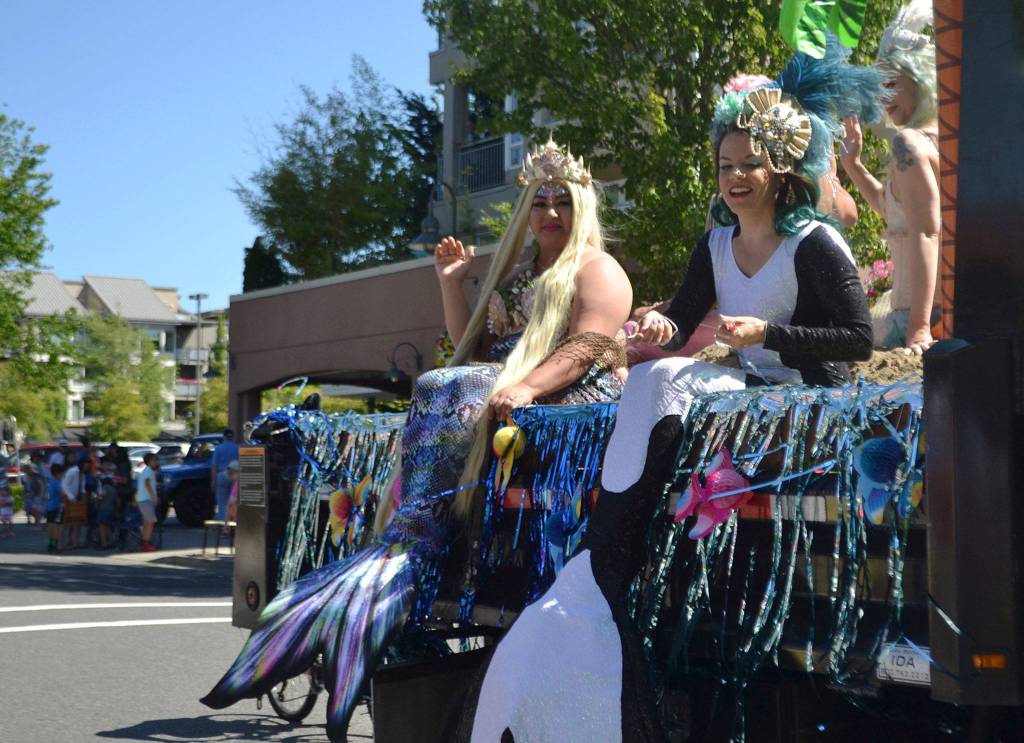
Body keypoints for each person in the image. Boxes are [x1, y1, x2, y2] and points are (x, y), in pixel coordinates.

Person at [463, 48, 883, 743]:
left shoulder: (814, 244)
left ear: (781, 170)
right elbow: (684, 324)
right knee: (659, 373)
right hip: (748, 397)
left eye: (749, 164)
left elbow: (856, 340)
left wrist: (769, 330)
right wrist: (661, 325)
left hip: (810, 405)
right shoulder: (713, 244)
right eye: (725, 166)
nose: (736, 177)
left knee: (669, 381)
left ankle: (608, 561)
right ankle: (610, 557)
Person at [203, 137, 633, 741]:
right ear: (526, 210)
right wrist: (452, 283)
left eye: (563, 201)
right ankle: (412, 542)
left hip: (560, 401)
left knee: (452, 385)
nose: (551, 213)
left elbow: (587, 347)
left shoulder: (597, 270)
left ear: (582, 207)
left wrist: (529, 388)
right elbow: (471, 350)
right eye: (540, 201)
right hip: (503, 396)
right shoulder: (516, 275)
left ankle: (416, 547)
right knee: (443, 381)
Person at [840, 0, 939, 353]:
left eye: (891, 84)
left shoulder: (908, 144)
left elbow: (927, 233)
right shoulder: (944, 141)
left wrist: (919, 328)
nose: (884, 99)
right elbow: (897, 213)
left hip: (917, 321)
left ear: (919, 76)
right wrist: (854, 164)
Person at [210, 429, 239, 521]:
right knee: (234, 503)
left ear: (224, 437)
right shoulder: (237, 448)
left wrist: (213, 481)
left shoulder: (218, 448)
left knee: (222, 504)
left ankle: (223, 528)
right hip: (235, 475)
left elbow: (214, 466)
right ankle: (233, 526)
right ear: (233, 437)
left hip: (222, 475)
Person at [135, 452, 159, 552]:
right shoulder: (149, 471)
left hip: (142, 499)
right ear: (149, 461)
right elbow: (147, 483)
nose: (156, 462)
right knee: (150, 521)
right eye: (154, 460)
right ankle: (146, 543)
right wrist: (154, 497)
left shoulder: (146, 471)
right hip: (146, 499)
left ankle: (144, 542)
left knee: (146, 522)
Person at [45, 463, 64, 554]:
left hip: (49, 506)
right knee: (56, 527)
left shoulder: (50, 481)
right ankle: (55, 546)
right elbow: (63, 493)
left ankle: (50, 545)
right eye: (61, 473)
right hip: (57, 506)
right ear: (57, 473)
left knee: (50, 526)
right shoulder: (57, 483)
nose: (62, 475)